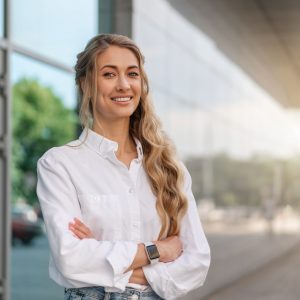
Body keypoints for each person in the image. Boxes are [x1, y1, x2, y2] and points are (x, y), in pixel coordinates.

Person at [37, 34, 210, 300]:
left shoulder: (169, 168)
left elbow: (197, 261)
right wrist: (157, 252)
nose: (123, 85)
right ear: (85, 84)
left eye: (132, 74)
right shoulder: (59, 164)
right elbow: (70, 258)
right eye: (109, 74)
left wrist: (102, 255)